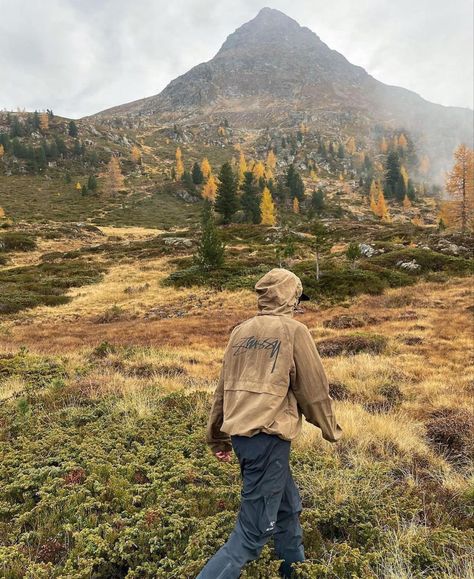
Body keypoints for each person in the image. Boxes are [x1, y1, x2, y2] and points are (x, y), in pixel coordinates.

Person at [197, 268, 342, 579]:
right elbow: (314, 391)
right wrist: (331, 430)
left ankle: (295, 572)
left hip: (245, 440)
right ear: (289, 298)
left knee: (288, 510)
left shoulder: (240, 332)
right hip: (269, 440)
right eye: (297, 299)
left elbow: (224, 390)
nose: (298, 305)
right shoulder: (294, 331)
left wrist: (217, 436)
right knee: (250, 536)